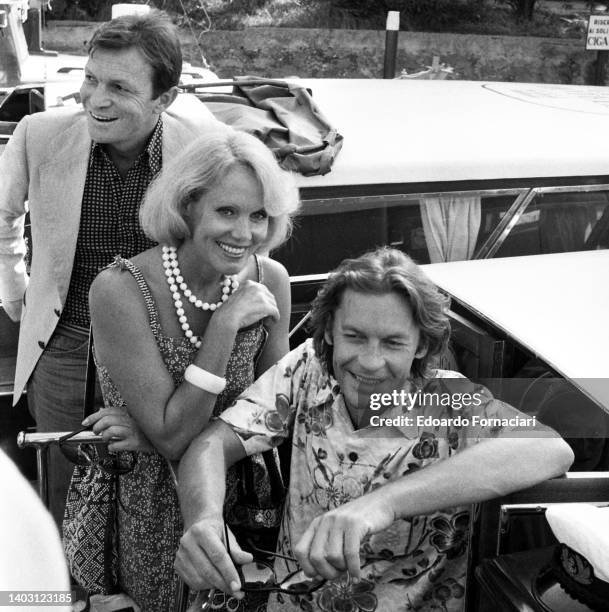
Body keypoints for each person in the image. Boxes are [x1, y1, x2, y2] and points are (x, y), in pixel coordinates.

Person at [174, 247, 574, 612]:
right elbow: (211, 444)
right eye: (355, 336)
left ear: (421, 346)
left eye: (393, 343)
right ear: (329, 331)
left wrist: (380, 505)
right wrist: (204, 520)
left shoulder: (449, 400)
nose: (369, 362)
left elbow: (551, 449)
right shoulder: (307, 370)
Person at [0, 10, 218, 526]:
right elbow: (2, 216)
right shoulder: (39, 135)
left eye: (119, 86)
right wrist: (18, 294)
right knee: (63, 488)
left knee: (150, 489)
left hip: (162, 354)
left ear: (164, 99)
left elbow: (238, 241)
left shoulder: (202, 148)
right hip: (65, 347)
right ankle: (61, 599)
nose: (95, 99)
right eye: (91, 79)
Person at [82, 127, 299, 610]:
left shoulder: (272, 280)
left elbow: (277, 414)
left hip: (244, 493)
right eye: (227, 211)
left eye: (259, 215)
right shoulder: (120, 289)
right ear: (187, 206)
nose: (245, 234)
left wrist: (153, 431)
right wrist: (223, 325)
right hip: (148, 504)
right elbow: (174, 440)